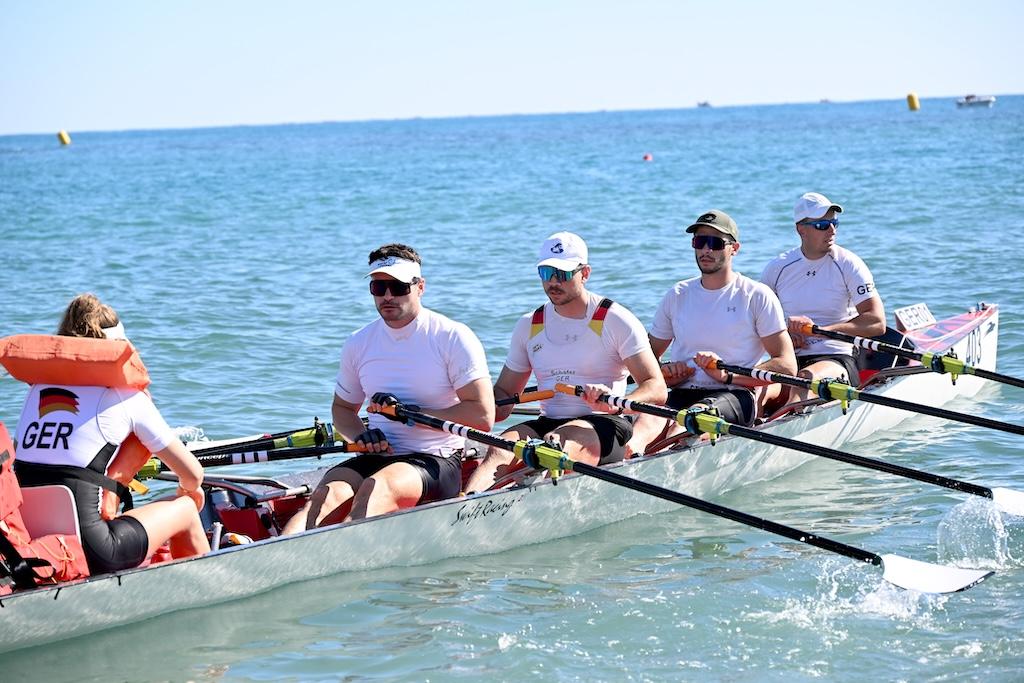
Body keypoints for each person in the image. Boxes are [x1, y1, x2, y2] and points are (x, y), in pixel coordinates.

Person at [282, 244, 494, 532]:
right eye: (378, 287)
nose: (387, 296)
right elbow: (343, 409)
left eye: (397, 287)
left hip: (436, 458)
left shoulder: (452, 337)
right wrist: (361, 434)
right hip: (378, 456)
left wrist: (412, 414)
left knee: (376, 486)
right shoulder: (359, 342)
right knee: (324, 497)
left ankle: (342, 554)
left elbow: (482, 415)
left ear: (420, 287)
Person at [10, 293, 210, 575]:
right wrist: (186, 493)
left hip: (37, 542)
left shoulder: (35, 392)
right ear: (118, 348)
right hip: (95, 550)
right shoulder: (125, 396)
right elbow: (193, 475)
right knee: (187, 505)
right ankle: (204, 585)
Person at [463, 232, 667, 493]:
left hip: (603, 423)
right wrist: (467, 403)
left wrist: (613, 403)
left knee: (558, 442)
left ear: (585, 273)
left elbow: (656, 388)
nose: (554, 282)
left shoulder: (614, 319)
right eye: (547, 273)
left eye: (563, 273)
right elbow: (503, 396)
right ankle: (466, 508)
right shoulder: (530, 324)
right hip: (548, 421)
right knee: (501, 448)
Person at [625, 210, 797, 455]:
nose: (706, 250)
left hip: (735, 394)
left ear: (734, 248)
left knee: (687, 423)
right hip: (682, 391)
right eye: (699, 242)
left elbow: (786, 365)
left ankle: (669, 457)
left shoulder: (756, 296)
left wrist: (726, 375)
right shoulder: (677, 295)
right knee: (643, 423)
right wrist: (664, 373)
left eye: (715, 243)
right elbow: (649, 357)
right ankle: (630, 455)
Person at [760, 192, 885, 405]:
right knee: (756, 390)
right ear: (801, 229)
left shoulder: (848, 264)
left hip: (837, 358)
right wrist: (785, 332)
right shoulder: (777, 268)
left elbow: (876, 322)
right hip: (789, 359)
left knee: (804, 381)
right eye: (823, 225)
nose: (832, 230)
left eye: (834, 223)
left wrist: (823, 331)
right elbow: (757, 321)